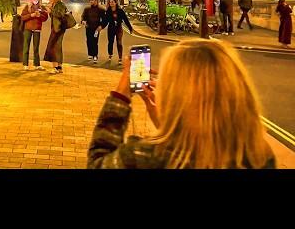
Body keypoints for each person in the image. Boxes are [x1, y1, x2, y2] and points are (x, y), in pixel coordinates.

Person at [87, 38, 276, 168]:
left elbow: (98, 162)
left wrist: (122, 93)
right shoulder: (258, 156)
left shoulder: (144, 157)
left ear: (176, 98)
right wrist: (169, 125)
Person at [100, 0, 134, 65]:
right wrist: (101, 27)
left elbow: (125, 20)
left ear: (116, 3)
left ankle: (120, 58)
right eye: (110, 2)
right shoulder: (108, 12)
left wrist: (130, 28)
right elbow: (105, 21)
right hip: (111, 28)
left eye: (112, 2)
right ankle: (110, 54)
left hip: (119, 28)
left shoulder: (120, 11)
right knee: (110, 42)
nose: (111, 3)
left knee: (119, 43)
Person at [20, 0, 48, 71]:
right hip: (28, 29)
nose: (35, 1)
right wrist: (31, 15)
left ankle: (37, 64)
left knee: (36, 48)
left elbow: (45, 18)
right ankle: (25, 64)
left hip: (37, 29)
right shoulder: (27, 7)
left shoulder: (42, 7)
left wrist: (40, 16)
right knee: (26, 47)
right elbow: (22, 17)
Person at [43, 0, 66, 74]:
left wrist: (51, 11)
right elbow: (53, 16)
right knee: (57, 47)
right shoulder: (56, 4)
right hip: (56, 28)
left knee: (53, 47)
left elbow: (60, 15)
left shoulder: (60, 4)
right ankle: (59, 67)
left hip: (58, 29)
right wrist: (50, 10)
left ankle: (56, 67)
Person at [81, 0, 105, 64]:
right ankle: (90, 54)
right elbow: (83, 16)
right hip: (88, 27)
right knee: (89, 41)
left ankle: (95, 55)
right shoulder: (87, 9)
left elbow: (104, 20)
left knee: (95, 41)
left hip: (96, 28)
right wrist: (83, 21)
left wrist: (101, 26)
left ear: (96, 1)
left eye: (92, 0)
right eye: (90, 0)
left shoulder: (101, 9)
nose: (91, 1)